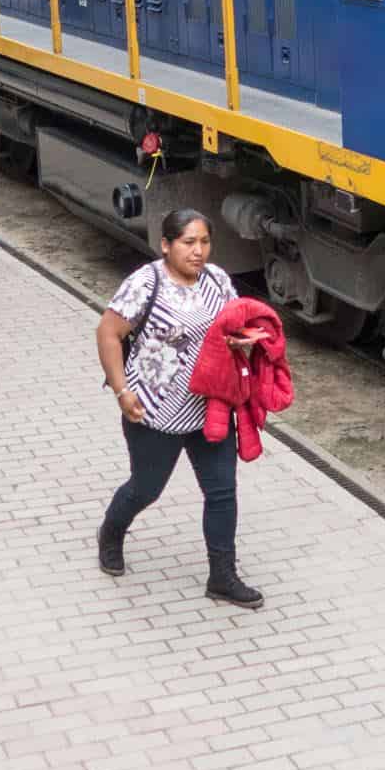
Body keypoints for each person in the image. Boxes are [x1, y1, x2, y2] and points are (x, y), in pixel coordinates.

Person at [93, 209, 263, 609]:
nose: (198, 251)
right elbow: (108, 333)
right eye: (188, 242)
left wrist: (245, 342)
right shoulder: (146, 282)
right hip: (152, 410)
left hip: (208, 409)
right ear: (166, 245)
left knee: (222, 492)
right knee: (146, 489)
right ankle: (111, 533)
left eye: (204, 242)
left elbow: (235, 326)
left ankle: (222, 576)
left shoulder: (218, 280)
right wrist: (121, 390)